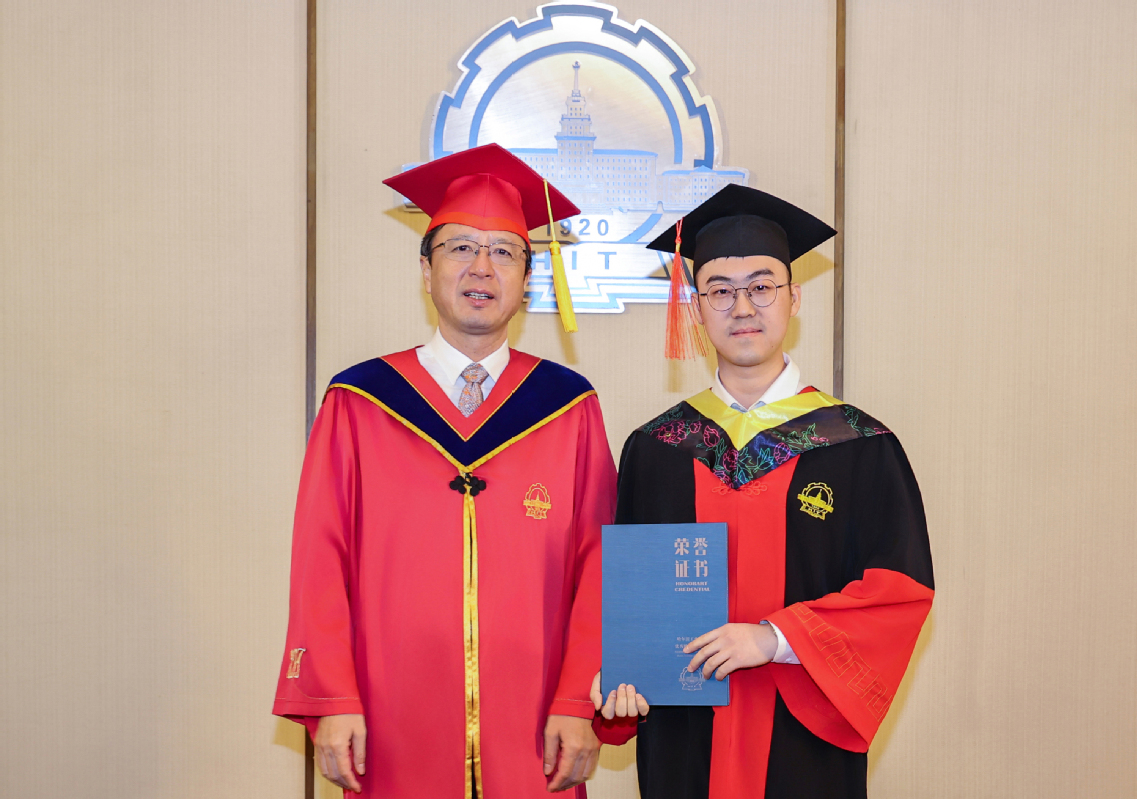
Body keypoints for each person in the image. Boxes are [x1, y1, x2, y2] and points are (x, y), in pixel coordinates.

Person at [273, 143, 617, 798]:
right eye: (460, 248)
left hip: (535, 727)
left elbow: (598, 564)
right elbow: (321, 555)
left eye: (504, 252)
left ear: (527, 279)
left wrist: (579, 699)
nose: (481, 268)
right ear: (426, 269)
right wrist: (333, 697)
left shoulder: (567, 406)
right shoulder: (360, 401)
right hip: (388, 719)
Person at [595, 185, 934, 799]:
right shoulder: (657, 449)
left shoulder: (858, 446)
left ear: (794, 299)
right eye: (720, 290)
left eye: (761, 286)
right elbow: (626, 598)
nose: (742, 306)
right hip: (685, 738)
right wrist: (618, 674)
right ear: (696, 309)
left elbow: (898, 593)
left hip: (802, 741)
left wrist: (774, 638)